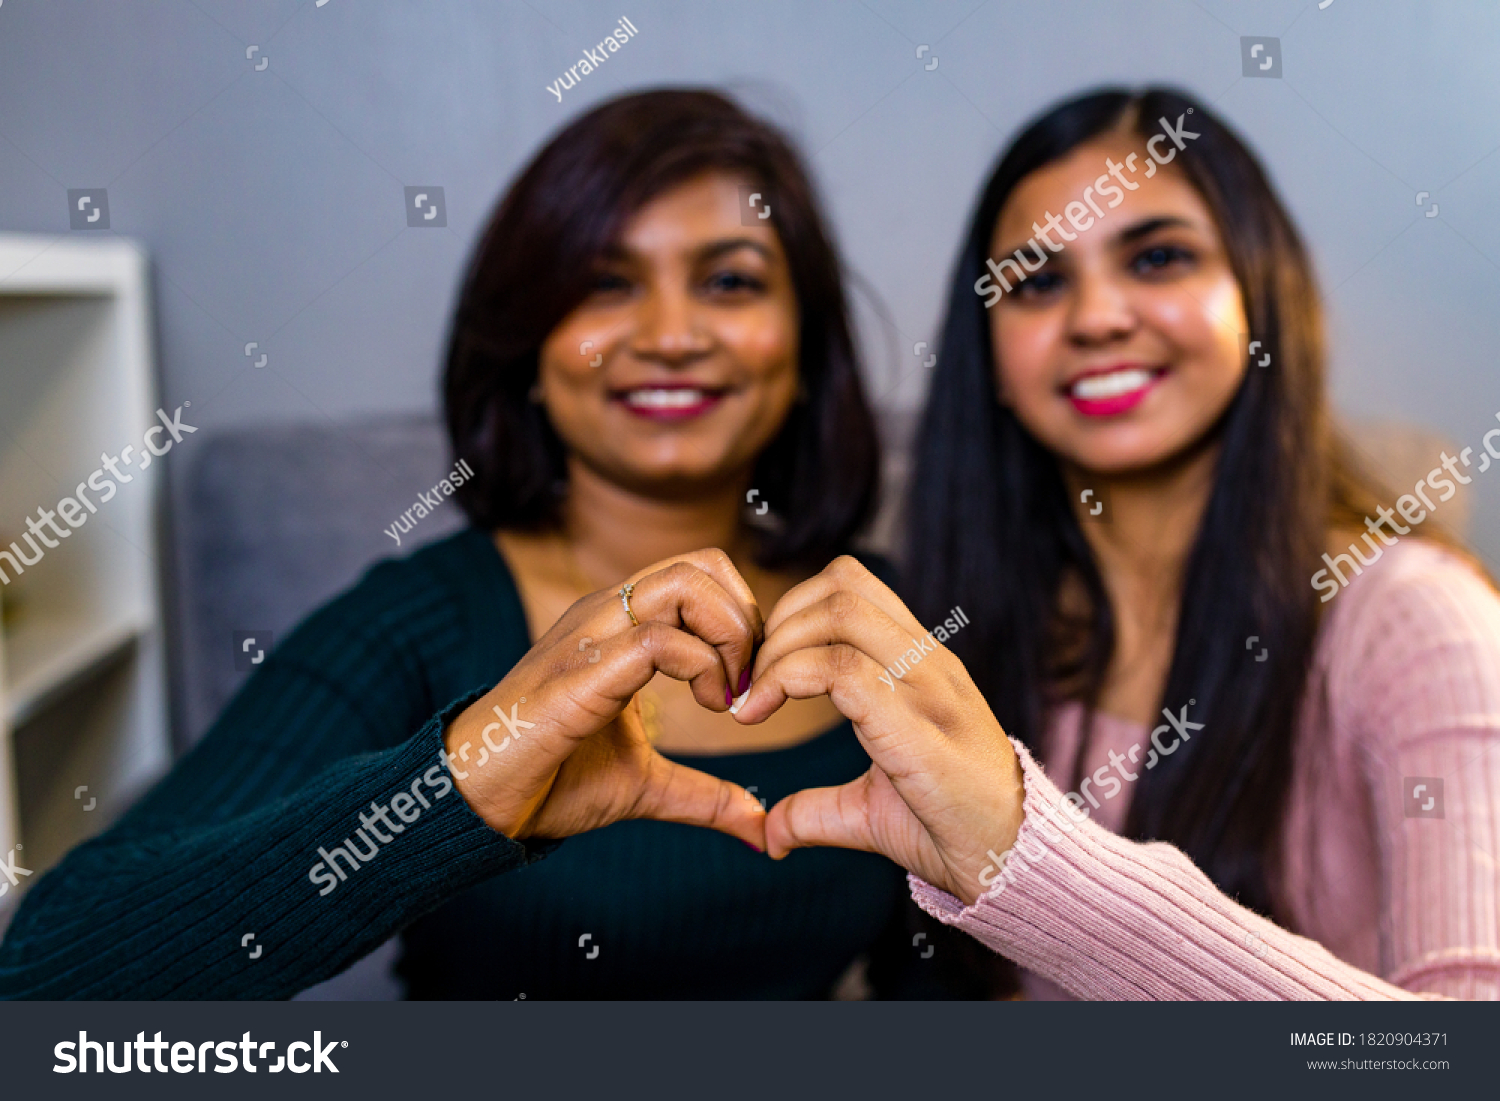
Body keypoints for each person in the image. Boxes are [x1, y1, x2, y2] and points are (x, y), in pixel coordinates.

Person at [0, 89, 959, 1000]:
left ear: (804, 349)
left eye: (728, 281)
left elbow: (941, 985)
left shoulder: (885, 617)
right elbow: (45, 980)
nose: (672, 333)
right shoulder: (415, 622)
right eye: (604, 282)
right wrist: (455, 786)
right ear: (528, 347)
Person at [741, 87, 1500, 999]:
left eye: (1159, 258)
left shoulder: (1416, 620)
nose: (1098, 317)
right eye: (1040, 281)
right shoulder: (958, 629)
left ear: (1261, 300)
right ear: (990, 355)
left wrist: (1024, 855)